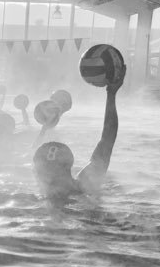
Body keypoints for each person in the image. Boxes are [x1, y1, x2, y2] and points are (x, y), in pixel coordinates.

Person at [33, 66, 126, 200]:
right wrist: (111, 94)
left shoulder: (31, 199)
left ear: (38, 172)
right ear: (69, 165)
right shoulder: (85, 184)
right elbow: (107, 140)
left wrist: (44, 130)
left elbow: (107, 140)